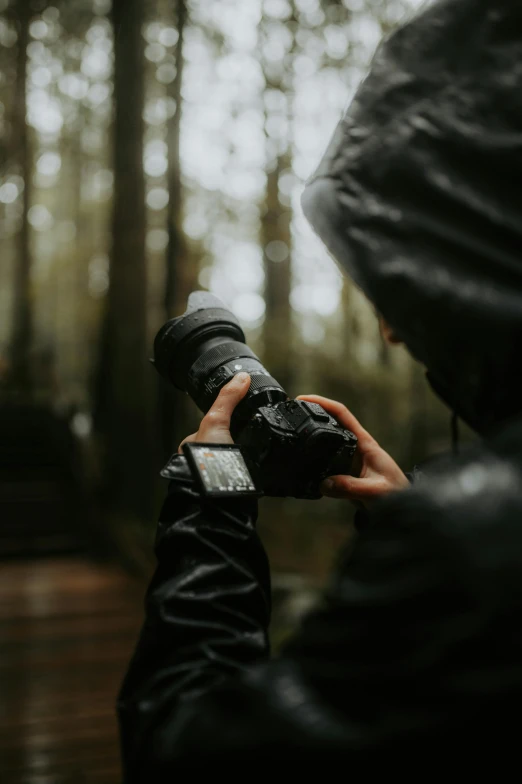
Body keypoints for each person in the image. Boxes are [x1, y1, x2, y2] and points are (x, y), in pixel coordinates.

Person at [118, 0, 522, 776]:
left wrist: (214, 495)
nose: (393, 333)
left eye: (405, 289)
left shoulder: (478, 545)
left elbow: (182, 752)